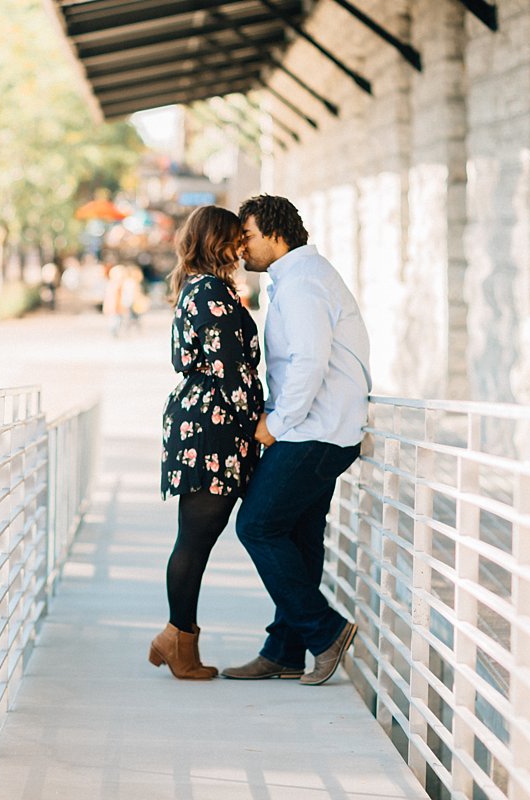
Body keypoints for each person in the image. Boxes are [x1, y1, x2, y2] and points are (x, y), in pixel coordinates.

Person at [223, 194, 372, 686]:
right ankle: (284, 650)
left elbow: (309, 362)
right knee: (299, 536)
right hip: (321, 428)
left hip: (314, 431)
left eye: (246, 237)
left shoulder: (304, 283)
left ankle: (324, 632)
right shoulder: (298, 278)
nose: (240, 248)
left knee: (258, 526)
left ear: (274, 234)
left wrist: (276, 423)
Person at [150, 206, 264, 680]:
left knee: (195, 540)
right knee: (195, 540)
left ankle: (176, 638)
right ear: (219, 241)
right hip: (213, 426)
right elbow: (230, 369)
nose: (243, 247)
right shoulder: (212, 292)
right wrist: (259, 422)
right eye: (237, 238)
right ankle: (179, 641)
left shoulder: (195, 286)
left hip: (203, 421)